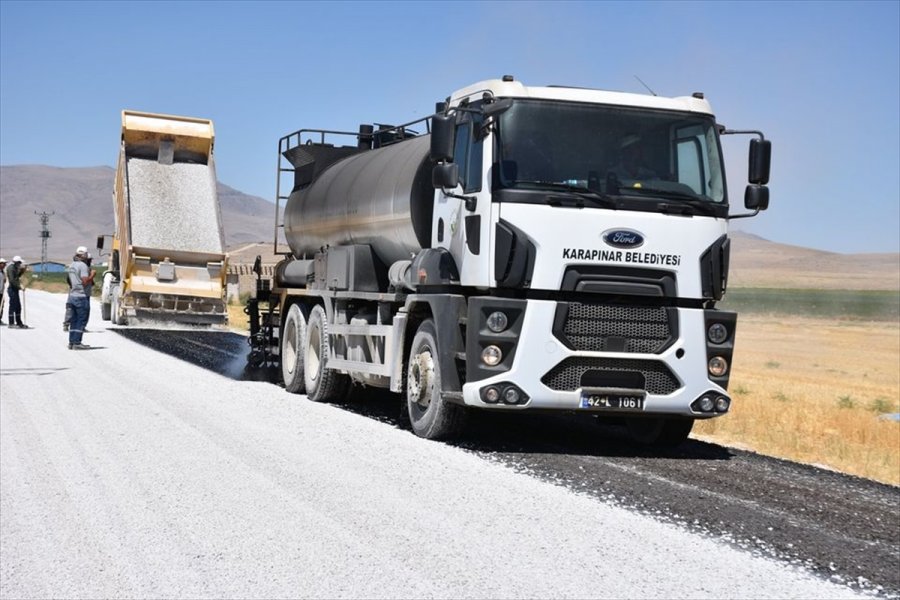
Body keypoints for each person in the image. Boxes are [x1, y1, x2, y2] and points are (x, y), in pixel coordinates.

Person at [65, 246, 95, 350]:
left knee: (74, 320)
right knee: (81, 320)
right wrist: (92, 275)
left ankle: (71, 342)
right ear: (85, 255)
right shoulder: (83, 266)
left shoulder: (72, 265)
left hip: (72, 295)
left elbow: (69, 280)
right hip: (81, 296)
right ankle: (77, 342)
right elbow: (85, 282)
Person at [4, 256, 29, 328]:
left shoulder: (14, 268)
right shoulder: (11, 268)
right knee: (13, 306)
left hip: (15, 289)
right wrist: (20, 286)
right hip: (12, 289)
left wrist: (22, 270)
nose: (20, 264)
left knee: (18, 306)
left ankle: (19, 322)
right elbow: (12, 280)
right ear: (16, 262)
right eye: (19, 263)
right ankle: (11, 323)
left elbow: (17, 276)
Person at [0, 258, 6, 325]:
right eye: (3, 264)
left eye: (4, 264)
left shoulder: (3, 272)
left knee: (1, 306)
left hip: (1, 292)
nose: (4, 265)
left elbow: (4, 281)